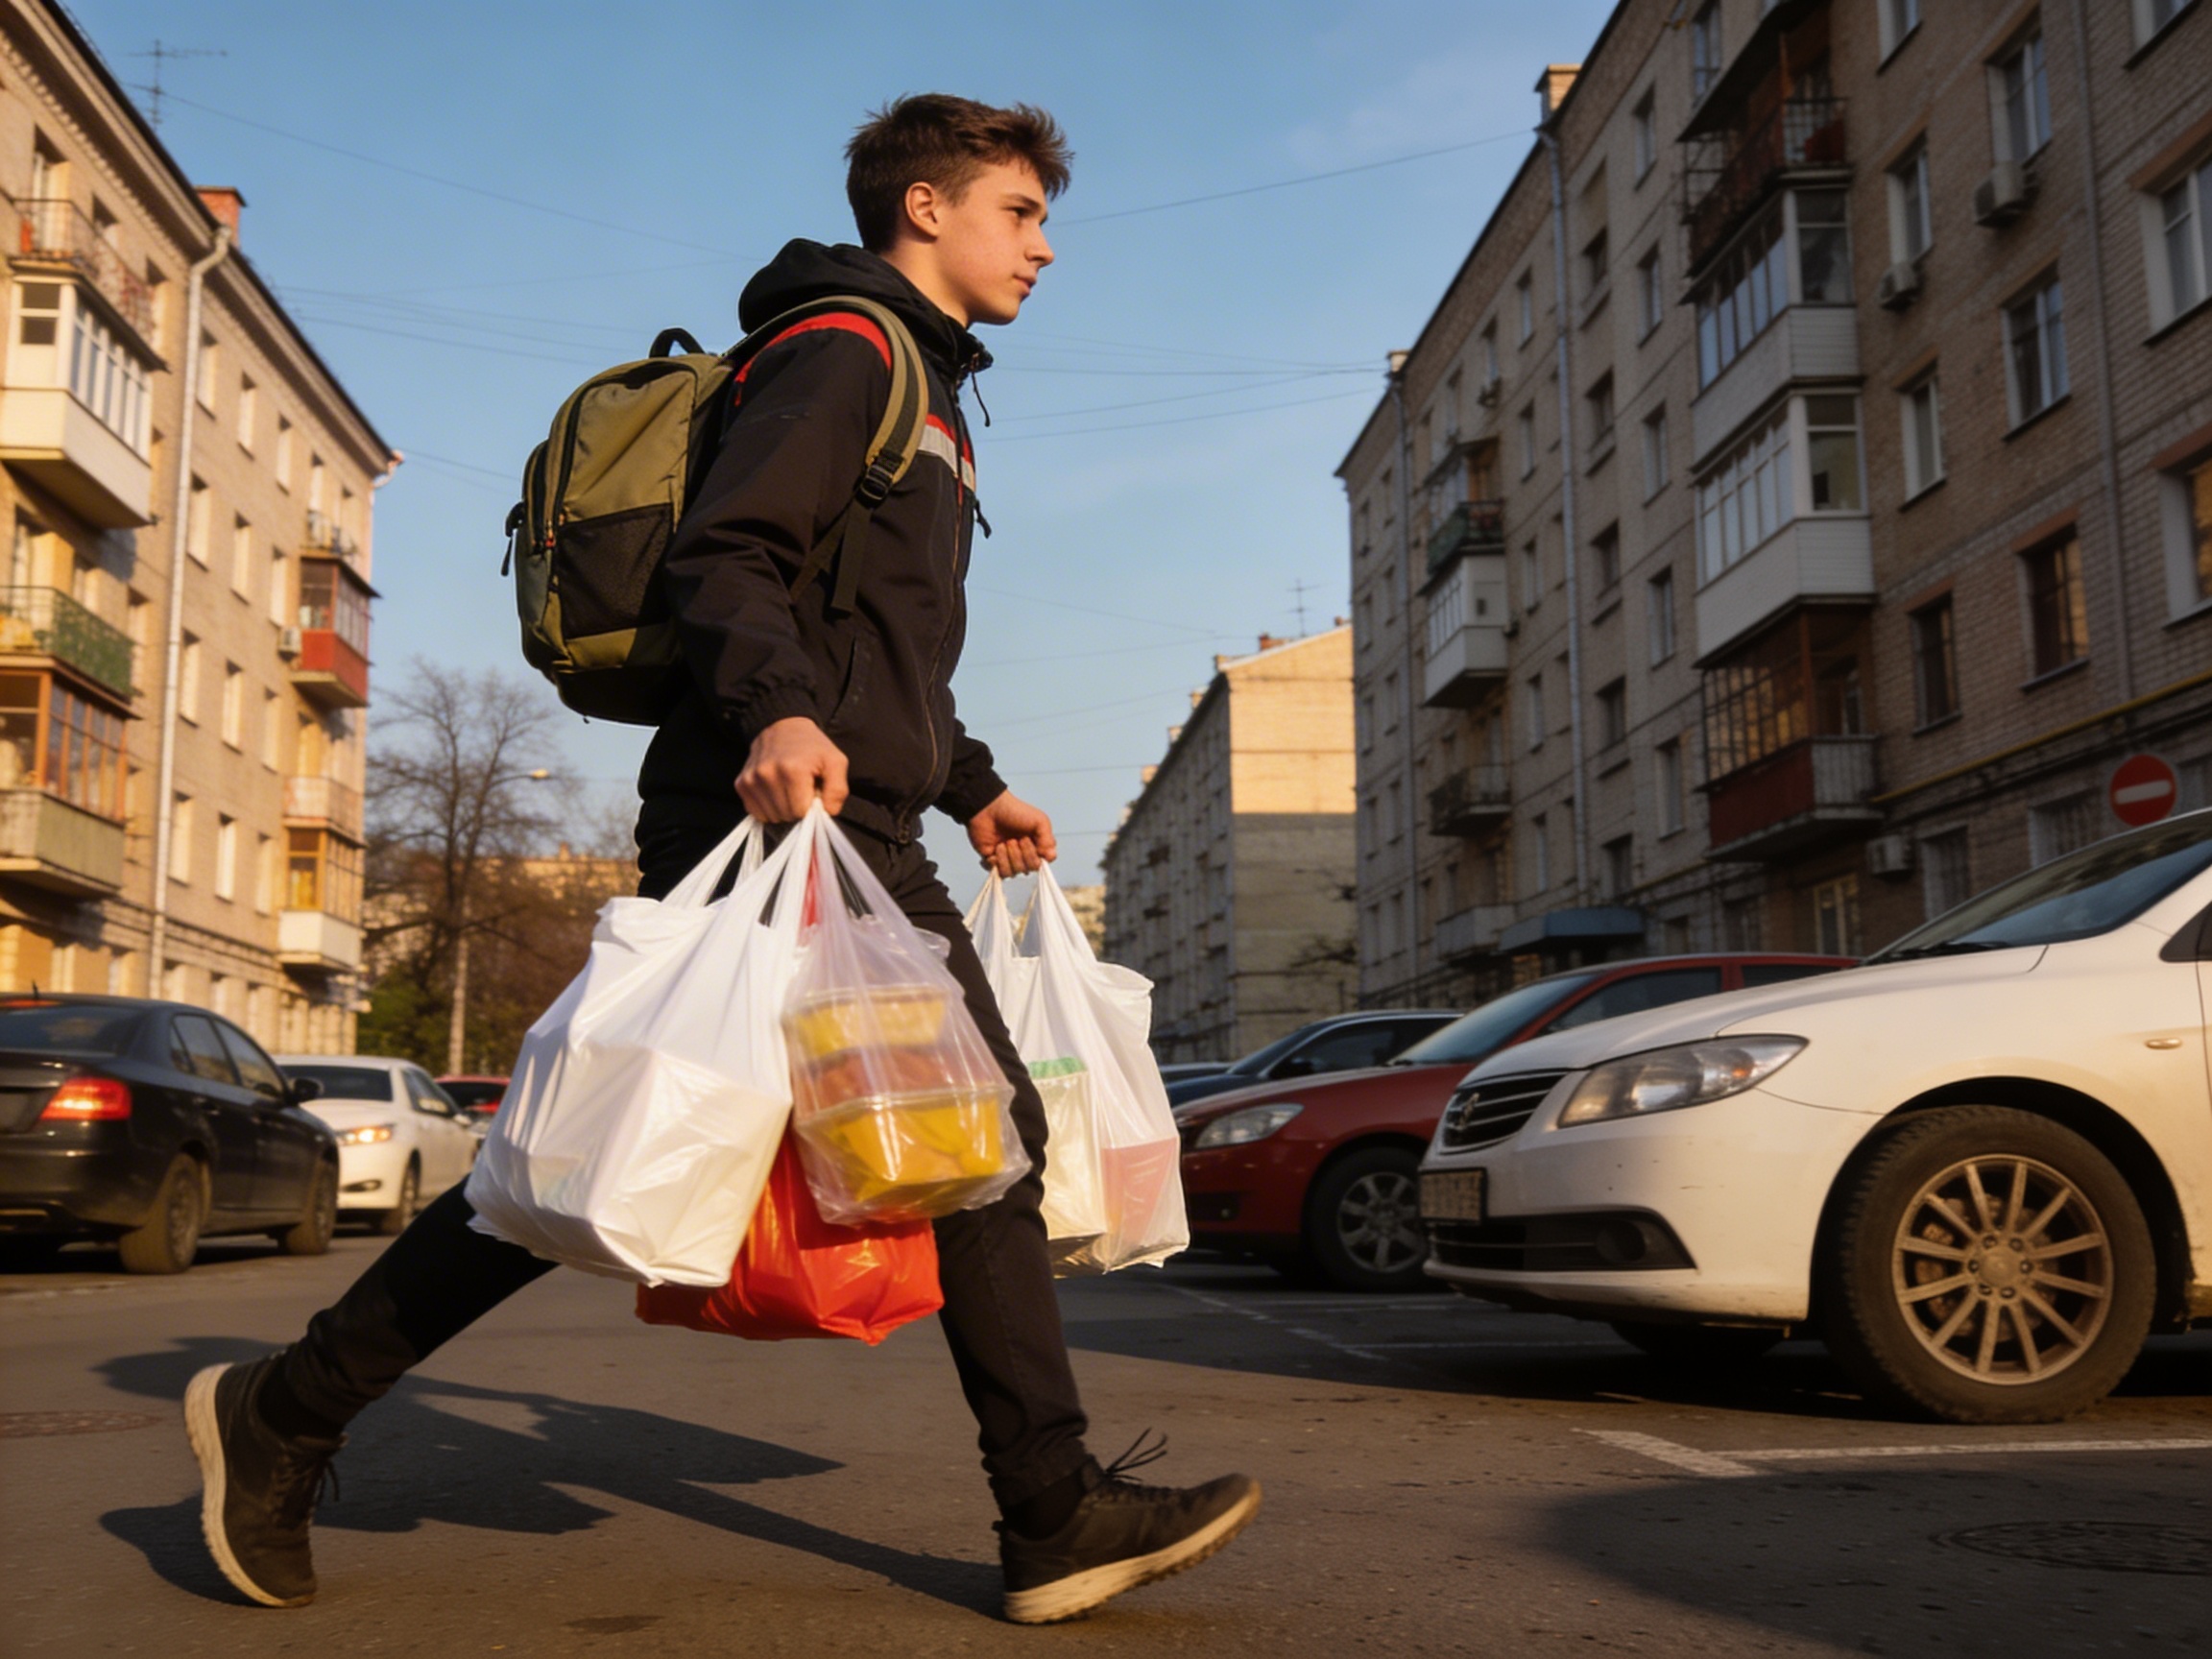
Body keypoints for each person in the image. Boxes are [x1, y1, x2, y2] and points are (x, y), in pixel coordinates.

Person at [182, 95, 1259, 1626]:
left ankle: (289, 1408)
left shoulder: (928, 391)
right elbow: (730, 555)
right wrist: (775, 718)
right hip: (771, 807)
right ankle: (1049, 1508)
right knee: (789, 1142)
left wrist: (977, 783)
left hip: (851, 809)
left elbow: (870, 648)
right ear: (928, 209)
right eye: (1019, 212)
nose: (1044, 244)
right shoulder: (850, 352)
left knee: (729, 1144)